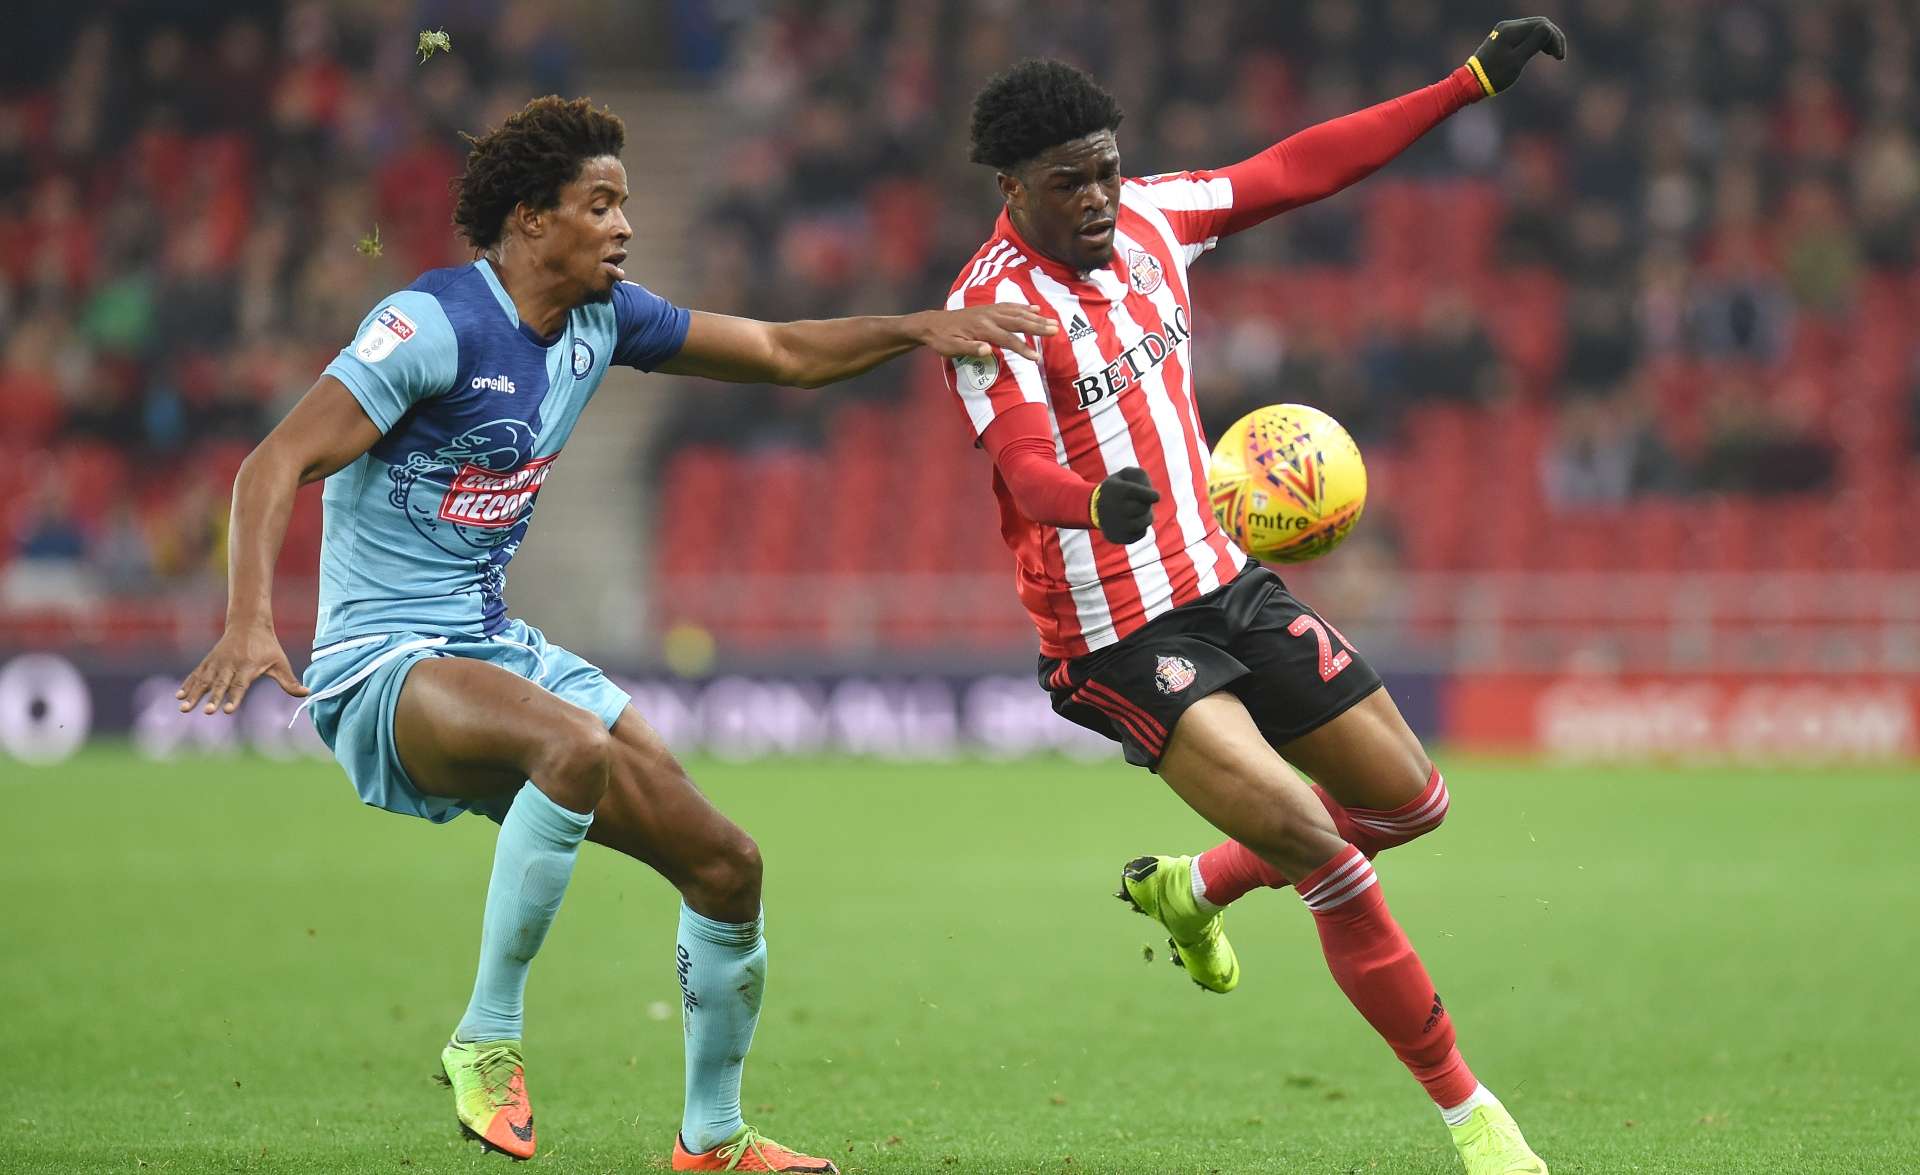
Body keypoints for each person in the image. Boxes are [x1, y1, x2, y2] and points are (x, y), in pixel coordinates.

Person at [175, 95, 1053, 1174]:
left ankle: (712, 1139)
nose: (625, 225)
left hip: (494, 647)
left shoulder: (607, 318)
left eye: (627, 203)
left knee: (727, 862)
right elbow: (273, 462)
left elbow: (777, 348)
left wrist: (917, 328)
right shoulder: (431, 325)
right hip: (381, 663)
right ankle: (486, 1038)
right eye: (601, 204)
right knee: (574, 747)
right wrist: (251, 620)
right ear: (532, 219)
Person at [942, 21, 1565, 1175]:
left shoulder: (1150, 222)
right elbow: (1027, 465)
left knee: (1412, 802)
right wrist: (1092, 503)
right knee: (1327, 847)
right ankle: (1475, 1116)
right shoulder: (992, 313)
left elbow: (1299, 166)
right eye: (1068, 180)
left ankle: (1194, 887)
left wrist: (1466, 84)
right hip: (1117, 637)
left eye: (1106, 169)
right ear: (1012, 185)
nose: (1096, 196)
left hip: (1224, 584)